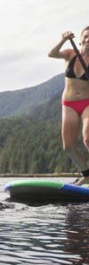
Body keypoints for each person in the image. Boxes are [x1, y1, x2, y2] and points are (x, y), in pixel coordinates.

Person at [48, 27, 89, 185]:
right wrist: (63, 40)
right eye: (85, 36)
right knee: (69, 147)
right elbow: (51, 54)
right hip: (69, 104)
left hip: (87, 103)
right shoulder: (70, 54)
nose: (88, 40)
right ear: (80, 40)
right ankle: (86, 174)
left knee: (87, 138)